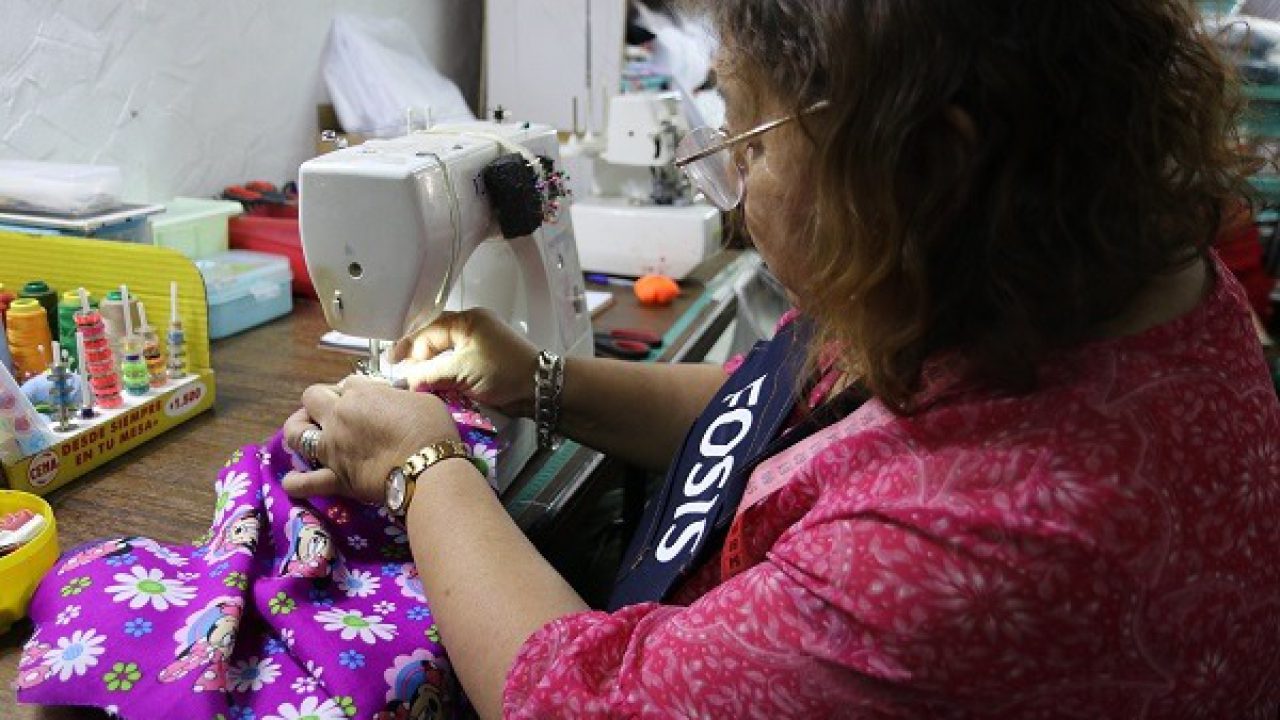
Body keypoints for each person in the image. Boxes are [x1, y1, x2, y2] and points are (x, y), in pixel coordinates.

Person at [282, 1, 1280, 717]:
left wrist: (424, 468)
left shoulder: (966, 547)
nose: (732, 188)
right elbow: (790, 418)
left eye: (753, 145)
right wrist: (543, 381)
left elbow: (581, 701)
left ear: (924, 167)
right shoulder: (1079, 286)